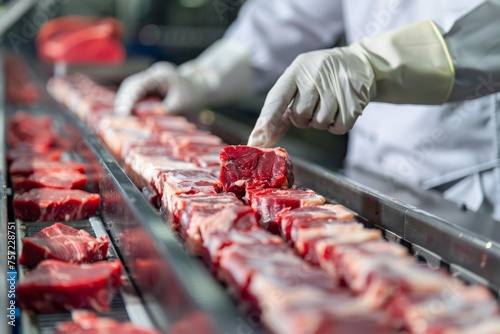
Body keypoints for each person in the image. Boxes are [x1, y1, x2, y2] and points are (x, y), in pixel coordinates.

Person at [115, 0, 500, 219]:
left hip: (477, 185)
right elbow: (285, 16)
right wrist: (200, 77)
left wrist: (376, 64)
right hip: (373, 174)